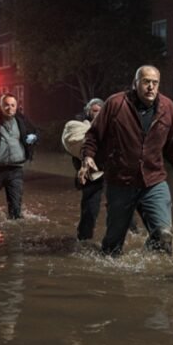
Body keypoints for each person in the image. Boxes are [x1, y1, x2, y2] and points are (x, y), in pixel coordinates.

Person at [79, 65, 173, 256]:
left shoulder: (168, 108)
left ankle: (149, 265)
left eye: (155, 83)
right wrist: (88, 157)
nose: (151, 87)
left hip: (154, 181)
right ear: (135, 83)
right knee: (112, 247)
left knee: (164, 235)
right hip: (120, 182)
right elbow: (93, 136)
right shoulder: (116, 104)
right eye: (146, 82)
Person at [0, 93, 39, 219]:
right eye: (6, 105)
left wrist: (34, 137)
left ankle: (14, 234)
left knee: (16, 210)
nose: (9, 108)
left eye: (12, 105)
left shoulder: (22, 120)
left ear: (16, 107)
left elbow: (36, 131)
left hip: (16, 170)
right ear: (0, 106)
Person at [63, 98, 105, 240]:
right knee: (90, 210)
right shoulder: (77, 126)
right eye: (95, 111)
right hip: (90, 176)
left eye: (101, 111)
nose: (98, 114)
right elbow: (76, 141)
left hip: (111, 174)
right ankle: (84, 240)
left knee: (122, 208)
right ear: (88, 112)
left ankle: (131, 237)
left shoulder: (110, 125)